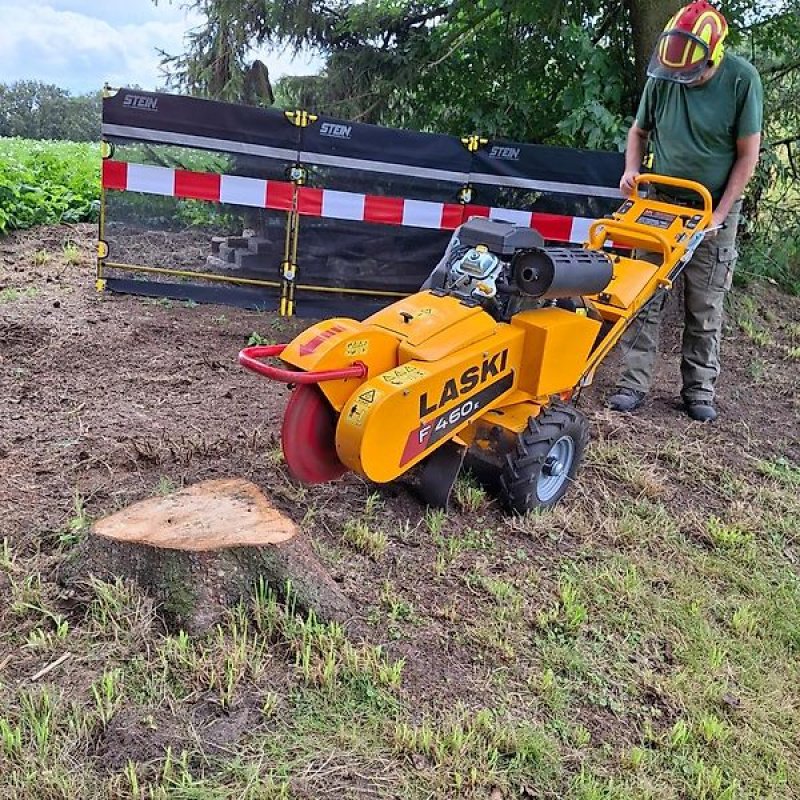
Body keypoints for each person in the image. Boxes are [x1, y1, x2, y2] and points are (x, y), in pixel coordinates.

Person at [607, 0, 762, 422]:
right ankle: (632, 383)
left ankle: (698, 389)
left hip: (712, 207)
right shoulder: (664, 76)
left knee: (705, 302)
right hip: (661, 202)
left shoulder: (741, 81)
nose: (683, 80)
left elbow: (748, 157)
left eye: (692, 73)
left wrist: (720, 213)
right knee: (643, 293)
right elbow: (639, 131)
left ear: (714, 56)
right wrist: (631, 171)